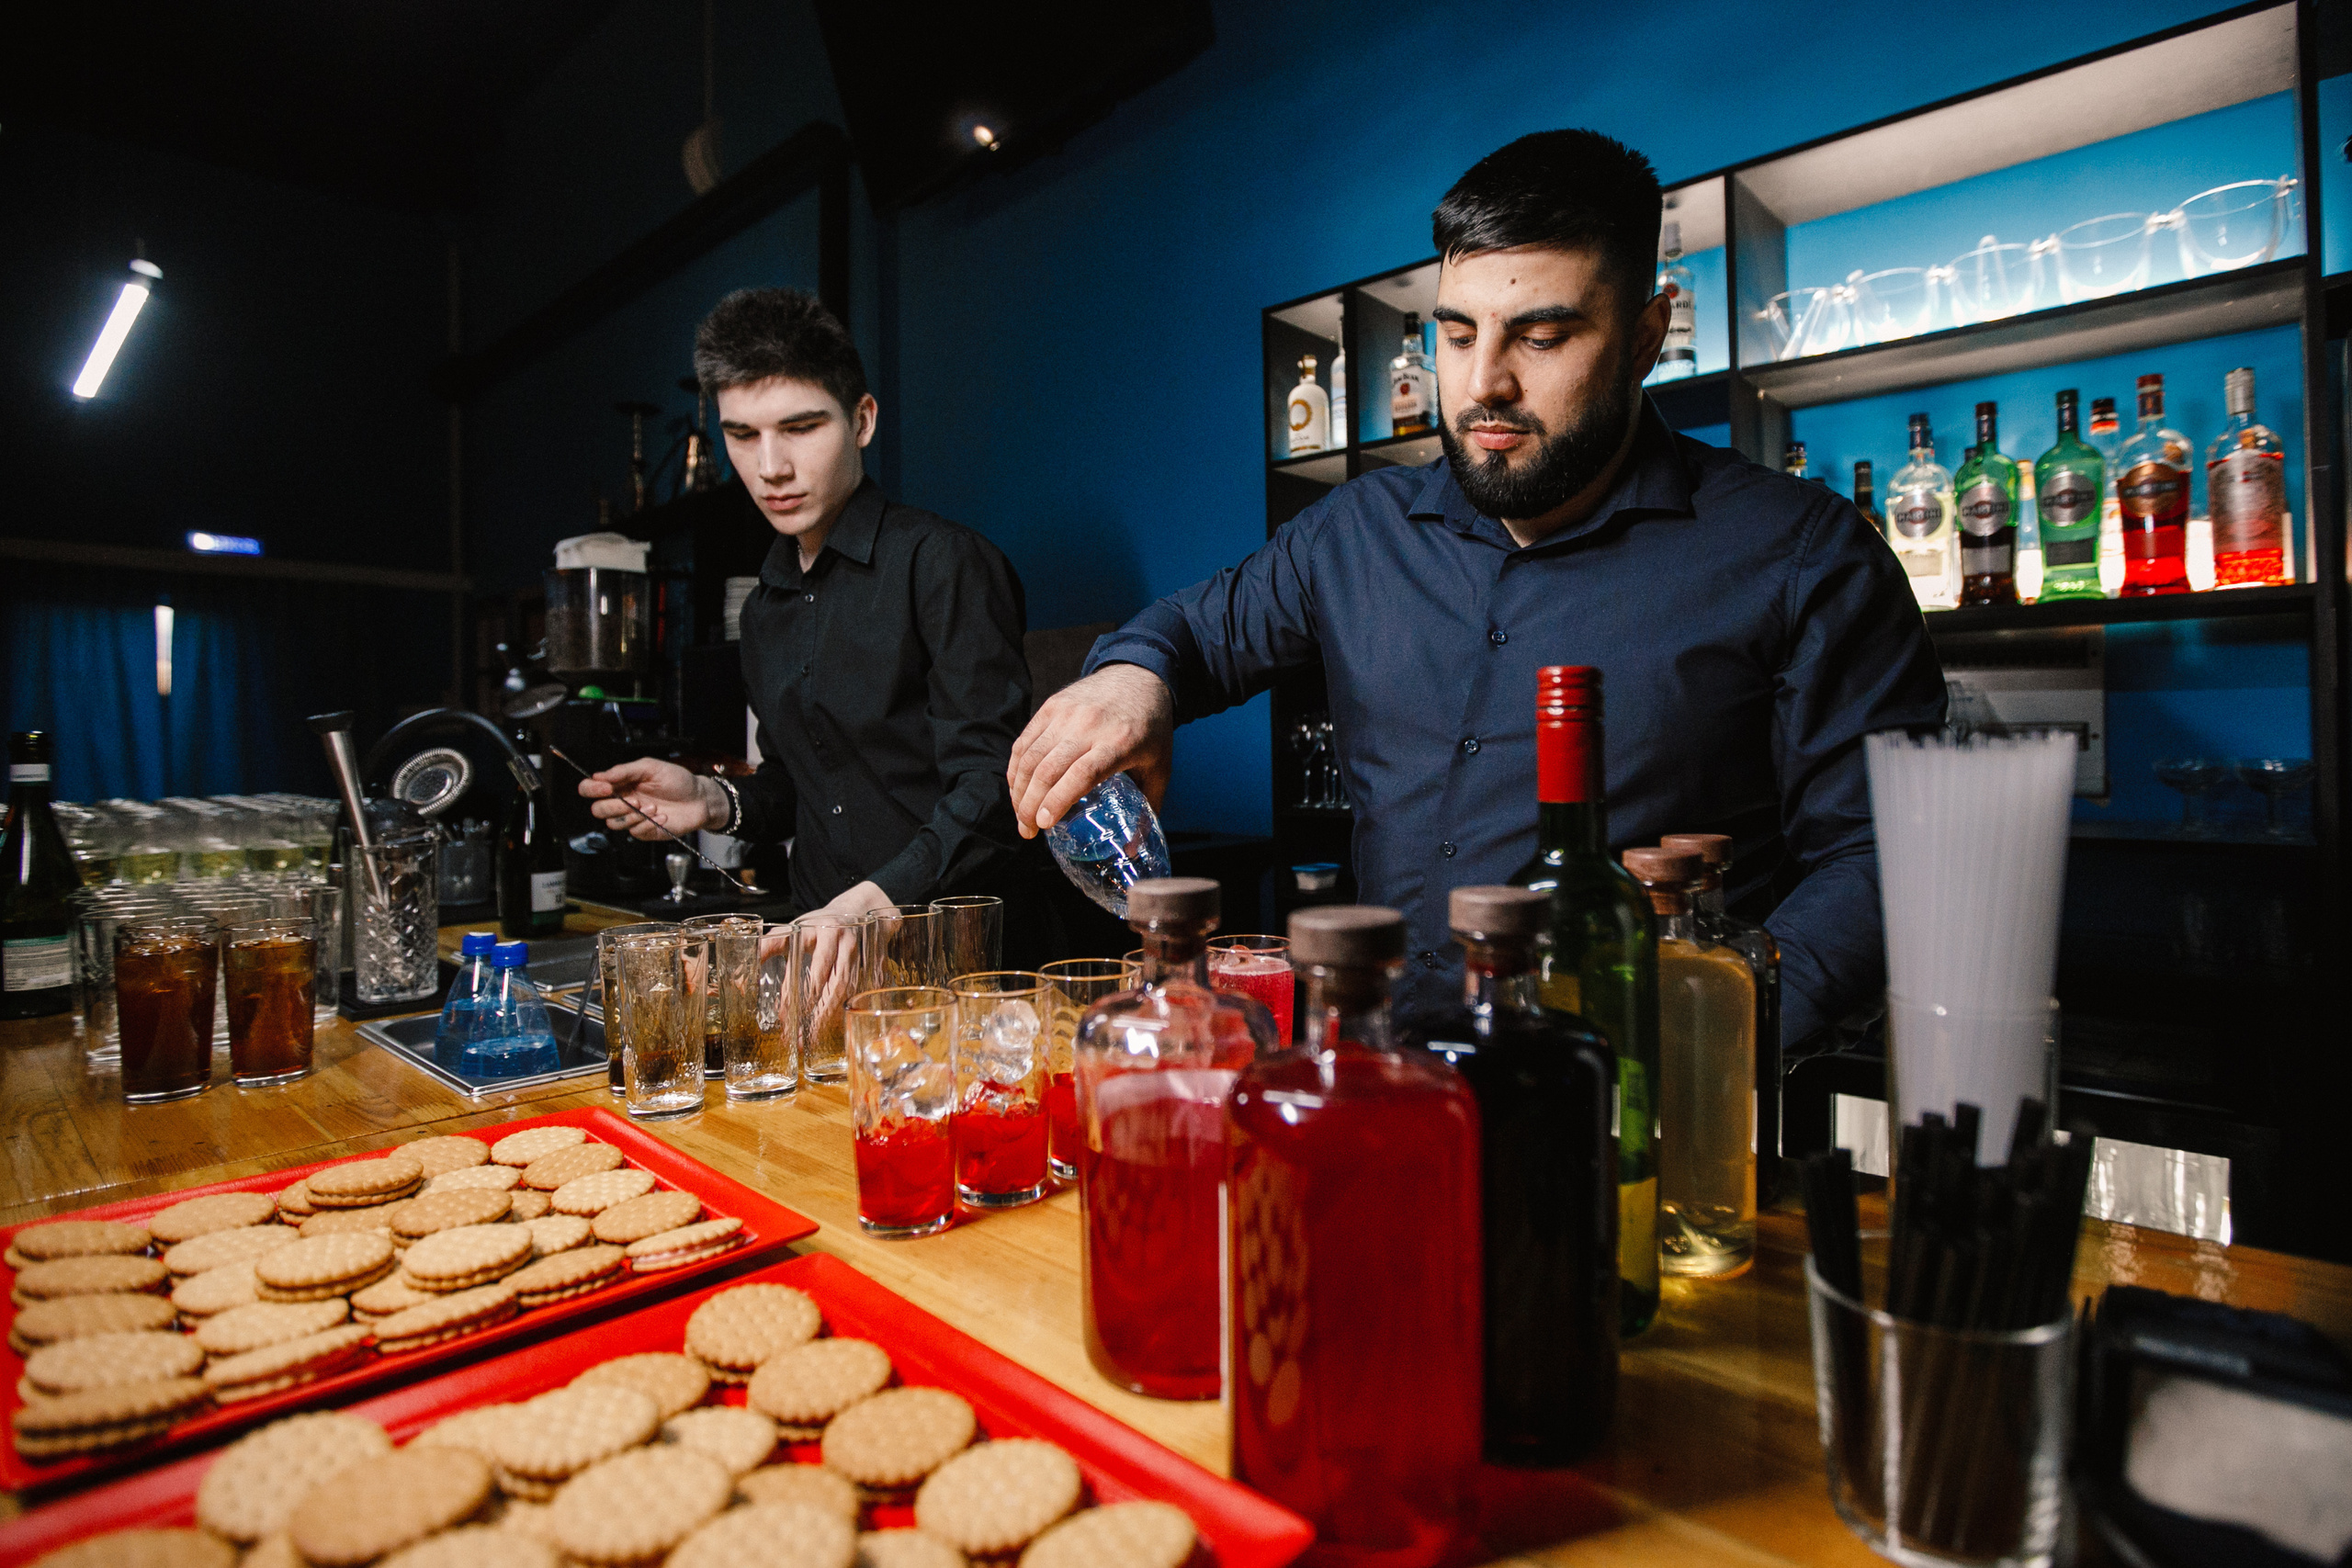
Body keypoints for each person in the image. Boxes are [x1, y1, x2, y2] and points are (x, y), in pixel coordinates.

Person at [1008, 130, 1945, 1046]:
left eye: (1540, 337)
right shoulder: (1359, 530)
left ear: (1645, 336)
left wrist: (1717, 1036)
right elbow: (1194, 634)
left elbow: (1879, 863)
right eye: (1457, 334)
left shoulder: (1800, 554)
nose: (1484, 382)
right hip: (1382, 1092)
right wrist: (1131, 678)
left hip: (1622, 1124)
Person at [582, 288, 1048, 958]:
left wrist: (877, 900)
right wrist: (712, 800)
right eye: (743, 434)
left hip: (961, 967)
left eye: (800, 428)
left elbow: (994, 791)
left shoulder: (943, 563)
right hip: (823, 965)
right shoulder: (764, 607)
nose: (771, 467)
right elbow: (801, 784)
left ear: (862, 421)